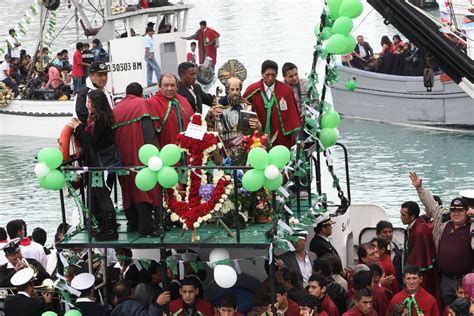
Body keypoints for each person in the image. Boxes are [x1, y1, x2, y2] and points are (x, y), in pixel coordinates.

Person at [410, 172, 474, 306]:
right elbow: (431, 204)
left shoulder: (471, 226)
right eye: (453, 210)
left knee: (466, 309)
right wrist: (419, 188)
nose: (456, 213)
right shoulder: (443, 220)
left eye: (460, 210)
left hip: (466, 279)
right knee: (447, 308)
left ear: (467, 212)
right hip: (445, 278)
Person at [68, 89, 118, 241]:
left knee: (103, 196)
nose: (87, 105)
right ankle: (106, 227)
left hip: (100, 164)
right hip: (98, 162)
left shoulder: (100, 118)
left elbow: (93, 140)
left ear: (96, 103)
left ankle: (110, 230)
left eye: (89, 102)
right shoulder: (99, 117)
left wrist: (77, 128)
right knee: (99, 194)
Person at [113, 82, 162, 236]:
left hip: (122, 157)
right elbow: (149, 132)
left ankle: (132, 224)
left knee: (128, 190)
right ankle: (145, 228)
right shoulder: (143, 105)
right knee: (144, 190)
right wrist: (152, 153)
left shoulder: (116, 110)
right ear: (141, 94)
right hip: (141, 156)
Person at [243, 60, 301, 148]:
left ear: (277, 74)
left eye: (273, 75)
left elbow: (293, 116)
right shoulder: (252, 90)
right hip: (258, 139)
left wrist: (299, 139)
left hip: (281, 139)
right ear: (262, 74)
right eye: (267, 75)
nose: (270, 78)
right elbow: (243, 110)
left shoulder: (286, 91)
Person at [400, 199, 440, 298]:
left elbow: (419, 257)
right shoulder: (417, 224)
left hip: (423, 273)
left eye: (403, 215)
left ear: (412, 216)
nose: (401, 217)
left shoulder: (419, 231)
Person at [146, 73, 194, 147]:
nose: (169, 88)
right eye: (166, 85)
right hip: (165, 150)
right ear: (159, 87)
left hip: (186, 149)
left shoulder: (184, 100)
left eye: (172, 85)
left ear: (177, 87)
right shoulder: (151, 103)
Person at [375, 220, 403, 286]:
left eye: (390, 232)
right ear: (378, 234)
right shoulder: (371, 251)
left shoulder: (397, 250)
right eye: (384, 232)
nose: (388, 235)